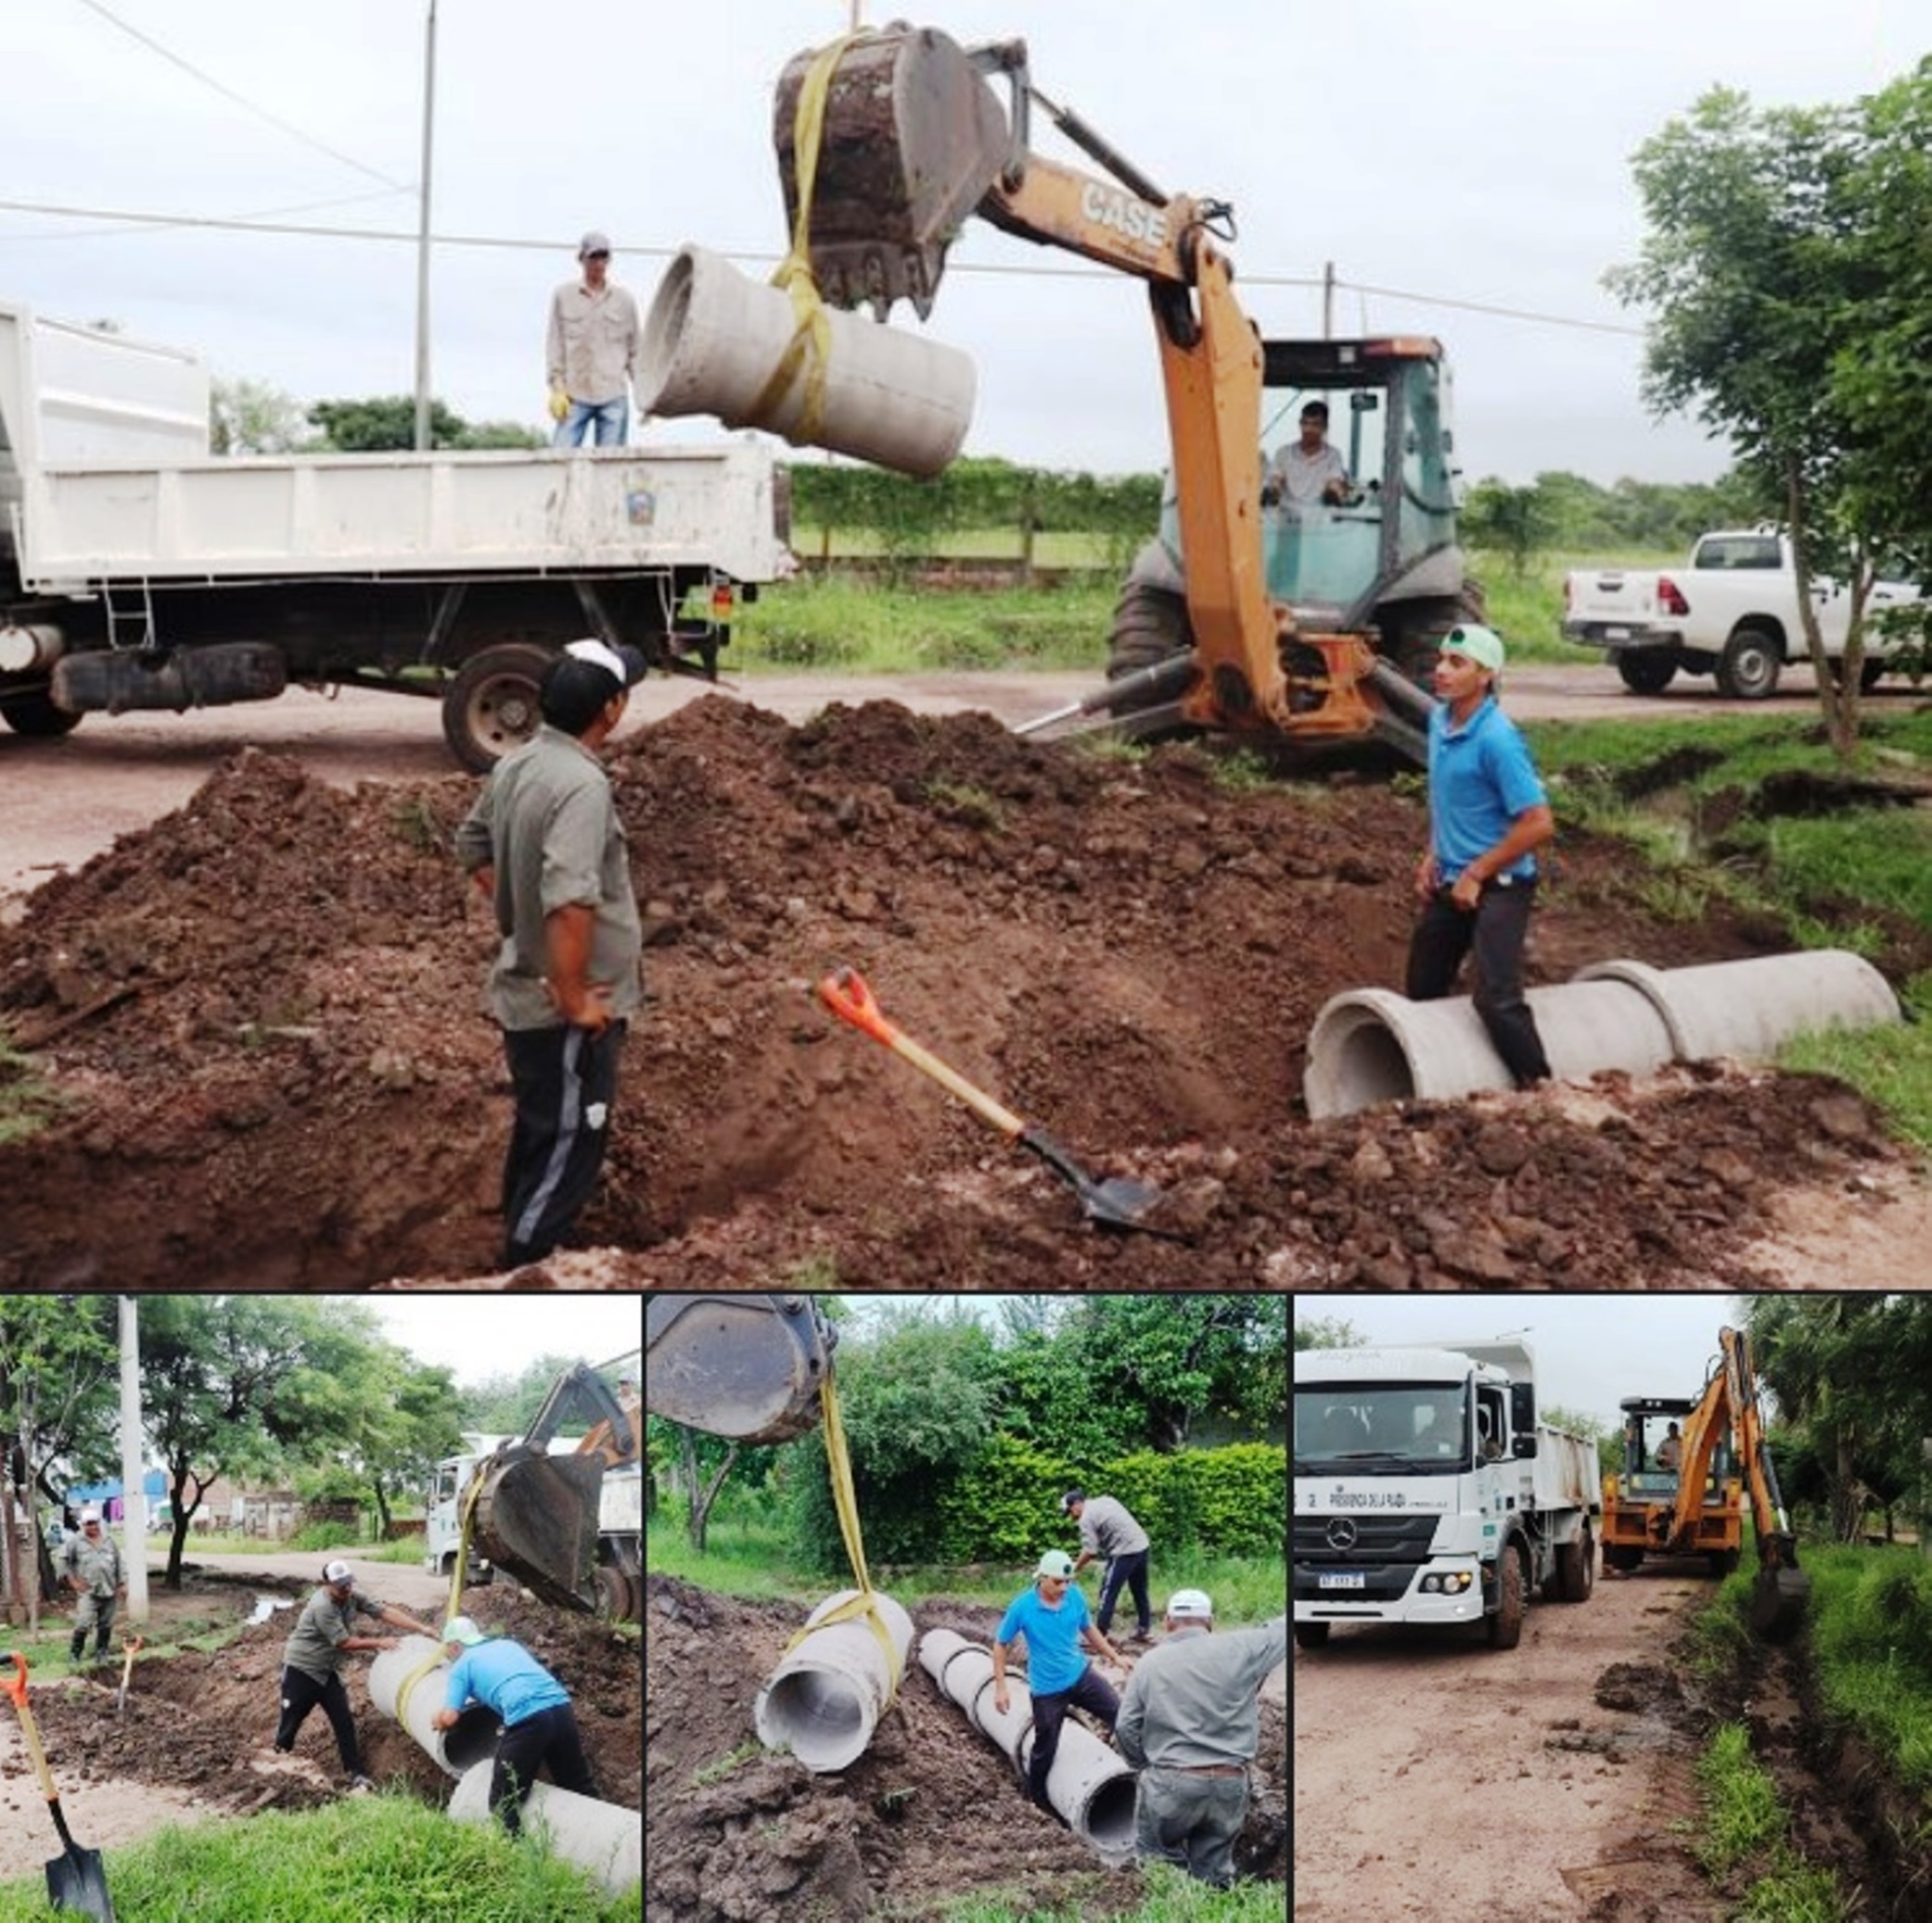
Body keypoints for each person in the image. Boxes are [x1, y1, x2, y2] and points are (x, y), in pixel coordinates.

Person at [455, 638, 647, 1269]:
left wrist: (518, 916)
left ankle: (518, 1244)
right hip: (565, 1007)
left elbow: (473, 845)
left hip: (525, 986)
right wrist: (572, 994)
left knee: (542, 1128)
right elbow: (569, 899)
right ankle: (526, 1264)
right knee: (570, 1138)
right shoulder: (580, 787)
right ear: (612, 708)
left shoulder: (519, 761)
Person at [1406, 622, 1555, 1088]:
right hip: (1454, 877)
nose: (1442, 671)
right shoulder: (1439, 721)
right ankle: (1440, 1083)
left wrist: (1477, 871)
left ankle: (1540, 1086)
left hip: (1503, 884)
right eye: (1441, 660)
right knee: (1424, 986)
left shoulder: (1498, 740)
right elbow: (1448, 798)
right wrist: (1434, 852)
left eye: (1457, 663)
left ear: (1486, 674)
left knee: (1495, 997)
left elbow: (1538, 823)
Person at [1115, 1589, 1288, 1890]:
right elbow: (1282, 1630)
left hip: (1170, 1783)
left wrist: (1144, 1765)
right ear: (1210, 1621)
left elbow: (1125, 1726)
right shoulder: (1241, 1648)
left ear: (1168, 1622)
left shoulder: (1150, 1663)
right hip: (1229, 1784)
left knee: (1158, 1866)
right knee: (1214, 1873)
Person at [992, 1550, 1135, 1815]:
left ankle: (1133, 1768)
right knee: (1045, 1746)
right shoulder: (1022, 1607)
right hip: (1047, 1689)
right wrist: (1000, 1687)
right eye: (1058, 1582)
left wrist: (1114, 1657)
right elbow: (1000, 1645)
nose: (1064, 1587)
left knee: (1121, 1714)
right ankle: (1036, 1799)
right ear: (1042, 1578)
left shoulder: (1074, 1597)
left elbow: (1088, 1629)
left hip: (1080, 1675)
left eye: (1067, 1582)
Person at [274, 1561, 438, 1792]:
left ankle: (356, 1774)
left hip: (328, 1671)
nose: (347, 1588)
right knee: (291, 1721)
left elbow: (383, 1611)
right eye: (341, 1585)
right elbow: (344, 1642)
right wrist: (379, 1643)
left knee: (344, 1722)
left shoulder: (351, 1595)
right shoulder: (322, 1606)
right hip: (303, 1669)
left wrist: (422, 1628)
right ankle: (279, 1765)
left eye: (348, 1583)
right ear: (326, 1584)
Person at [431, 1617, 598, 1836]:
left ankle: (513, 1852)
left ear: (454, 1646)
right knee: (577, 1782)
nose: (449, 1655)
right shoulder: (507, 1645)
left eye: (448, 1650)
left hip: (528, 1717)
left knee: (504, 1799)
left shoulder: (462, 1665)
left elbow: (451, 1717)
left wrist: (437, 1719)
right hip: (560, 1706)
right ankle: (607, 1828)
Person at [545, 231, 641, 448]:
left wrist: (644, 394)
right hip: (574, 395)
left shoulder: (624, 300)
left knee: (609, 470)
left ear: (609, 259)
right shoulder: (564, 295)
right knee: (559, 459)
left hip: (613, 395)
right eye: (593, 257)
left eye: (603, 256)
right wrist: (557, 388)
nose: (598, 262)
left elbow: (636, 351)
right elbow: (555, 345)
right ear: (581, 259)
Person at [1062, 1489, 1154, 1643]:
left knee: (1107, 1592)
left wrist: (1075, 1567)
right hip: (1141, 1544)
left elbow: (1091, 1551)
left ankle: (1099, 1635)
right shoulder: (1106, 1500)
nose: (1071, 1517)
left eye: (1070, 1512)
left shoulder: (1086, 1518)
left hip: (1124, 1551)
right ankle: (1144, 1629)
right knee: (1139, 1590)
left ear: (1077, 1504)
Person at [60, 1506, 123, 1665]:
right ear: (83, 1525)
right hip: (88, 1591)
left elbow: (119, 1563)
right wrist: (73, 1582)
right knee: (83, 1623)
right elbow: (63, 1560)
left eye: (95, 1523)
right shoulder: (76, 1541)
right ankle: (74, 1655)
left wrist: (122, 1583)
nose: (93, 1527)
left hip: (109, 1589)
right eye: (89, 1524)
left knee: (106, 1624)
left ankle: (101, 1654)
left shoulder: (109, 1541)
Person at [1262, 399, 1350, 507]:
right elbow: (1275, 480)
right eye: (1305, 423)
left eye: (1315, 425)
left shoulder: (1333, 455)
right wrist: (1273, 491)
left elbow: (1333, 482)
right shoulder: (1284, 453)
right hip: (1286, 519)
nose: (1308, 429)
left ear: (1325, 427)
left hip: (1319, 519)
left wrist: (1335, 492)